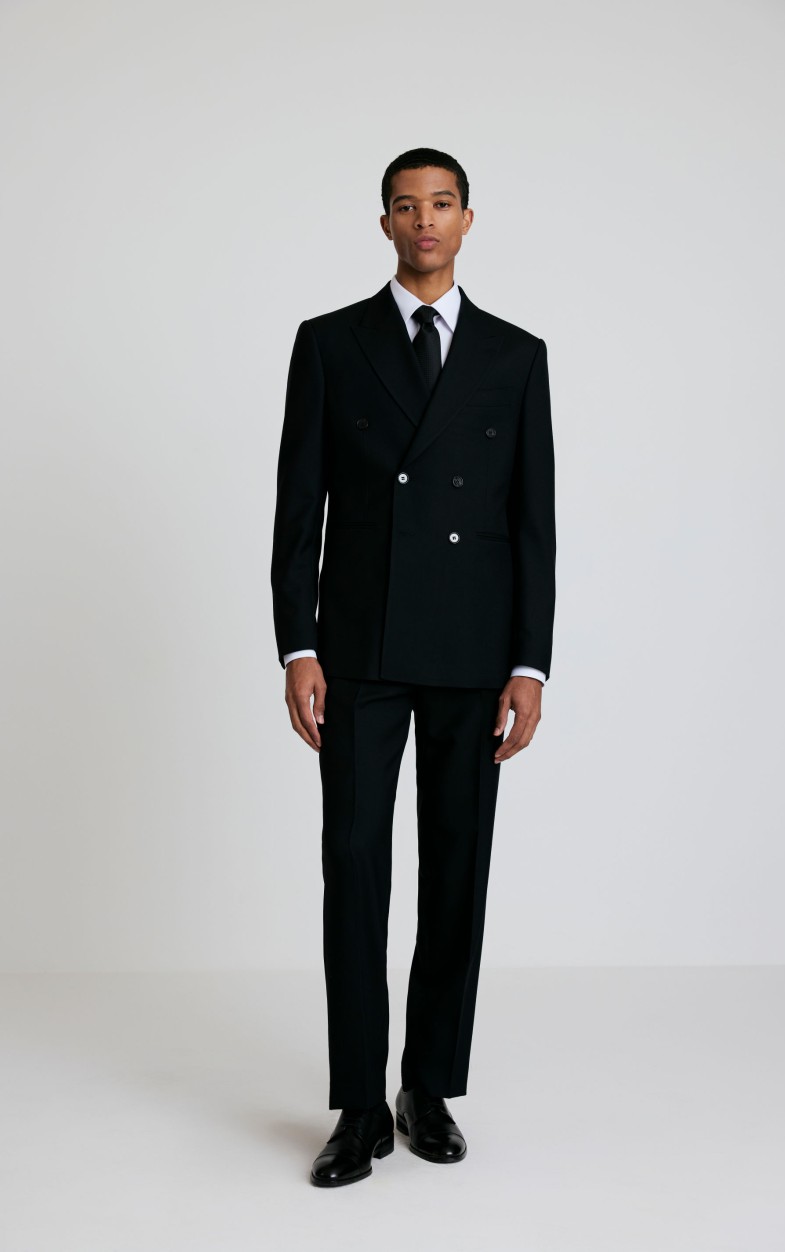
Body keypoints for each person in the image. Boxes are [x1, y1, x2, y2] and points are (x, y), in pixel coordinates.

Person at [270, 147, 556, 1187]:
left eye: (441, 203)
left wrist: (528, 664)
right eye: (405, 205)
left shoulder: (514, 355)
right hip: (357, 650)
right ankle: (358, 1105)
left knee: (455, 868)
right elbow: (298, 507)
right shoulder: (330, 342)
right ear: (384, 222)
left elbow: (533, 521)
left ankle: (426, 1087)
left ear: (467, 219)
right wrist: (298, 644)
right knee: (354, 868)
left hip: (473, 652)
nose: (424, 220)